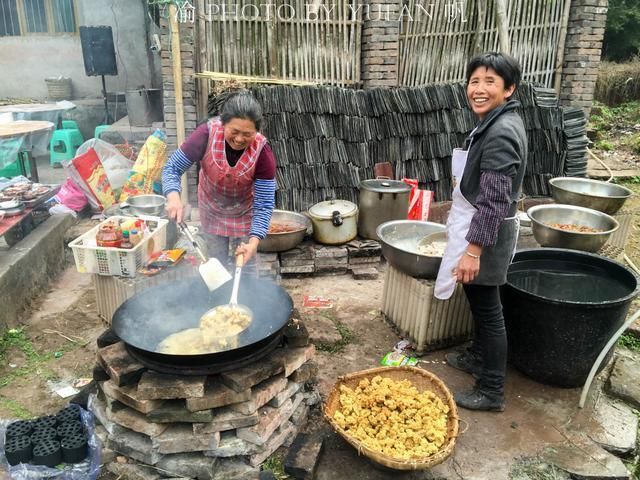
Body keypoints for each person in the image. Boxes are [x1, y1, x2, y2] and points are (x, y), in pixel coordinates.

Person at [434, 52, 527, 411]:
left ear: (509, 88)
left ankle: (491, 390)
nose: (479, 89)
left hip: (486, 235)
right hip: (481, 229)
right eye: (475, 81)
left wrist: (473, 251)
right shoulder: (497, 120)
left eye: (490, 82)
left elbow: (493, 201)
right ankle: (477, 356)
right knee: (477, 303)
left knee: (489, 311)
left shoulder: (502, 132)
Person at [162, 92, 276, 274]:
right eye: (234, 131)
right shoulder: (205, 134)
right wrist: (173, 197)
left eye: (247, 134)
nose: (239, 139)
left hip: (245, 213)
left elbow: (264, 205)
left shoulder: (263, 152)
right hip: (212, 209)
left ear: (257, 131)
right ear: (223, 124)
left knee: (245, 266)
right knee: (216, 266)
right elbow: (172, 168)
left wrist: (253, 243)